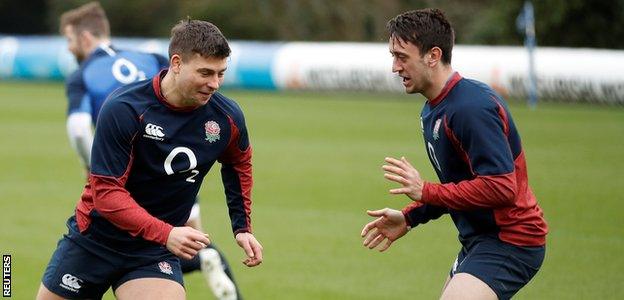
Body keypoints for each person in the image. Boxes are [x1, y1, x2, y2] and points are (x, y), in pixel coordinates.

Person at [37, 14, 262, 300]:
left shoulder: (227, 117)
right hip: (95, 241)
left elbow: (238, 161)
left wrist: (242, 227)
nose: (215, 83)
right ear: (177, 64)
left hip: (152, 251)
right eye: (205, 73)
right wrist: (168, 233)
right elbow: (106, 195)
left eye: (221, 73)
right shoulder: (124, 108)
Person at [360, 8, 548, 300]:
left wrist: (425, 191)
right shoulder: (434, 110)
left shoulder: (470, 108)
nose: (395, 67)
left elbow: (502, 187)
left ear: (433, 56)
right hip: (480, 240)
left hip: (512, 241)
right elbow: (459, 187)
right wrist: (410, 218)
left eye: (402, 57)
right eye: (392, 57)